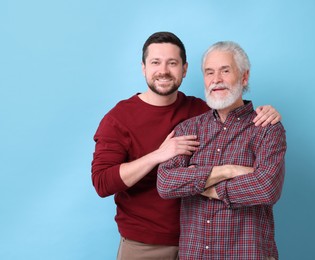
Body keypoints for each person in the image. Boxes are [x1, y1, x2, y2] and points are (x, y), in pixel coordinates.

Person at [91, 32, 282, 260]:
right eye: (155, 62)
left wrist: (267, 113)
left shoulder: (201, 112)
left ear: (184, 69)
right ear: (143, 68)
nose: (163, 70)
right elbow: (105, 182)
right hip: (146, 244)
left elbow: (265, 184)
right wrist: (159, 156)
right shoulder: (120, 118)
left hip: (198, 242)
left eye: (172, 63)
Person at [157, 41, 287, 260]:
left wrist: (203, 186)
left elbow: (266, 187)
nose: (216, 79)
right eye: (209, 73)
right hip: (195, 254)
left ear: (244, 77)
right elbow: (166, 183)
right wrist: (228, 171)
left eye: (225, 71)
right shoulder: (188, 128)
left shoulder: (266, 128)